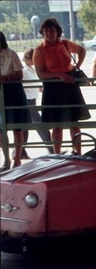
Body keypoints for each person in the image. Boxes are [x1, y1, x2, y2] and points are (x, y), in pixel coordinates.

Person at [33, 17, 90, 155]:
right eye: (46, 30)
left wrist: (77, 67)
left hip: (69, 85)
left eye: (51, 30)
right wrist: (59, 75)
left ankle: (78, 153)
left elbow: (82, 50)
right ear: (42, 32)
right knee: (56, 126)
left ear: (57, 31)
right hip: (53, 88)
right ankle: (57, 154)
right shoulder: (39, 50)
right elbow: (41, 74)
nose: (49, 33)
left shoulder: (64, 43)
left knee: (74, 123)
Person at [1, 30, 30, 168]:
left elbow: (19, 75)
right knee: (1, 130)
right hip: (1, 94)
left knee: (17, 128)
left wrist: (4, 79)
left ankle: (17, 159)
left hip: (13, 92)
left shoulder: (11, 54)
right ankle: (6, 158)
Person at [22, 48, 53, 155]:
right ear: (28, 58)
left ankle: (20, 151)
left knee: (24, 128)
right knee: (41, 126)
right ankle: (51, 149)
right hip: (28, 102)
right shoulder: (24, 70)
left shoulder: (30, 69)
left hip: (32, 100)